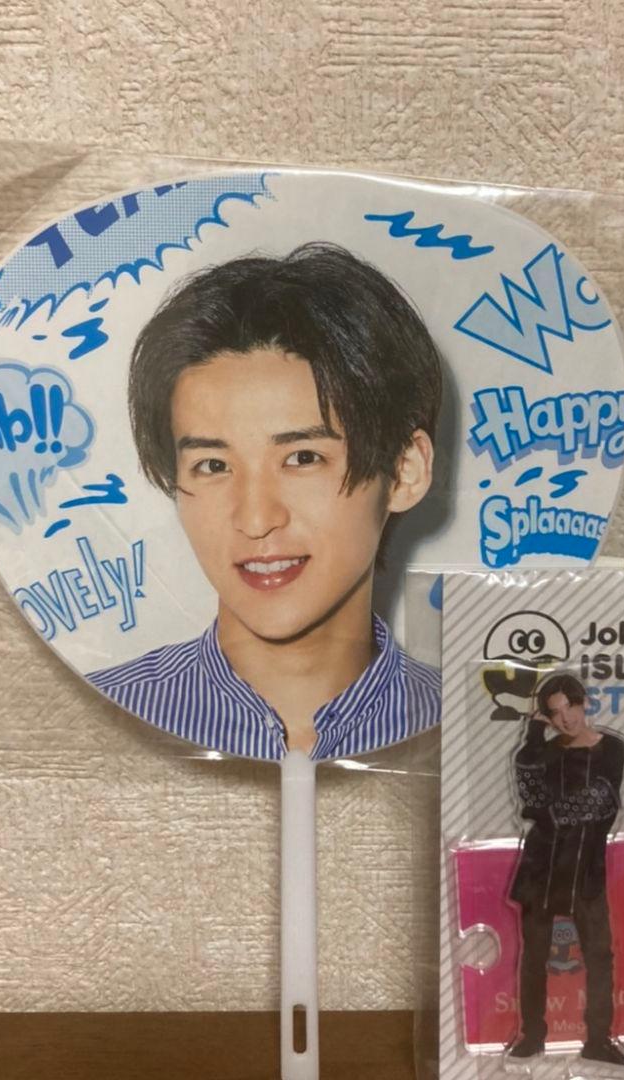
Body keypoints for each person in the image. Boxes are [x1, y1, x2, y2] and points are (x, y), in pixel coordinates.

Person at [87, 243, 442, 762]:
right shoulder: (92, 722)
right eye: (213, 465)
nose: (256, 520)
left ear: (405, 471)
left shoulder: (476, 733)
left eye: (302, 458)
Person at [506, 672, 624, 1068]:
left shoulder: (612, 748)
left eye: (570, 707)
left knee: (600, 955)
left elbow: (601, 798)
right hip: (540, 869)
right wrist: (534, 734)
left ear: (584, 703)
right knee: (534, 956)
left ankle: (598, 1040)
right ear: (547, 718)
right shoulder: (543, 753)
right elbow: (529, 794)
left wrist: (548, 814)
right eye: (555, 713)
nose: (565, 718)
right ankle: (532, 1037)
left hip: (586, 868)